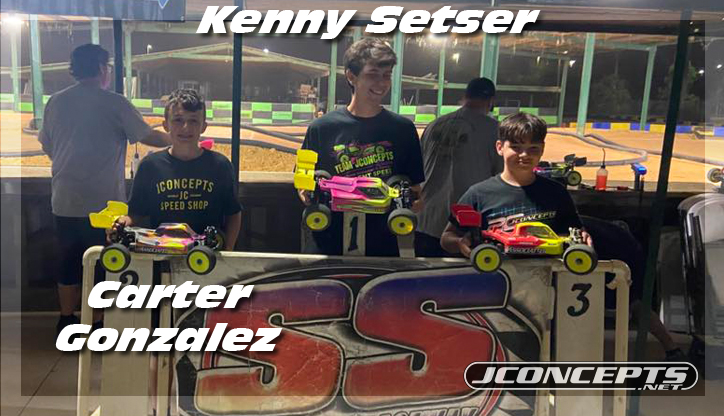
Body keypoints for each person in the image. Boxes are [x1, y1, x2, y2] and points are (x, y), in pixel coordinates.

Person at [38, 44, 171, 336]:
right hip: (104, 205)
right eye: (108, 66)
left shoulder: (56, 102)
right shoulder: (115, 103)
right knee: (102, 264)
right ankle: (97, 324)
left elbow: (47, 144)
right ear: (101, 68)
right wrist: (178, 137)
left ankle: (66, 319)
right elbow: (147, 136)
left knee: (68, 262)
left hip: (64, 198)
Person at [298, 38, 425, 257]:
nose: (381, 83)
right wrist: (308, 193)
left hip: (381, 244)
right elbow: (303, 182)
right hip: (328, 243)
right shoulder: (321, 128)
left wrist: (412, 202)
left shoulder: (403, 129)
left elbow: (415, 189)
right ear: (351, 76)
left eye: (386, 75)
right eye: (373, 74)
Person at [441, 112, 592, 256]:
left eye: (533, 148)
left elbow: (576, 231)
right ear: (500, 147)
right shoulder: (478, 194)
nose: (524, 155)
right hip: (496, 270)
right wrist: (460, 242)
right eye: (516, 147)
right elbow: (447, 237)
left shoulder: (556, 192)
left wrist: (583, 238)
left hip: (546, 271)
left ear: (542, 150)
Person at [113, 89, 242, 251]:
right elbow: (135, 213)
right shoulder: (150, 166)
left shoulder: (220, 166)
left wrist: (228, 249)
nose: (186, 127)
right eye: (178, 120)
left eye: (193, 121)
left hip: (207, 255)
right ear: (165, 125)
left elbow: (233, 213)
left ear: (203, 126)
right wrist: (120, 224)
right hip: (161, 254)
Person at [416, 77, 502, 257]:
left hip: (426, 221)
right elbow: (501, 179)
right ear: (491, 101)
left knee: (426, 274)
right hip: (463, 230)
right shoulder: (495, 130)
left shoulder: (434, 125)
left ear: (465, 96)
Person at [581, 216, 686, 361]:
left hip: (620, 253)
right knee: (631, 303)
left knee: (631, 303)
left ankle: (672, 351)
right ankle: (672, 350)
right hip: (617, 248)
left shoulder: (566, 223)